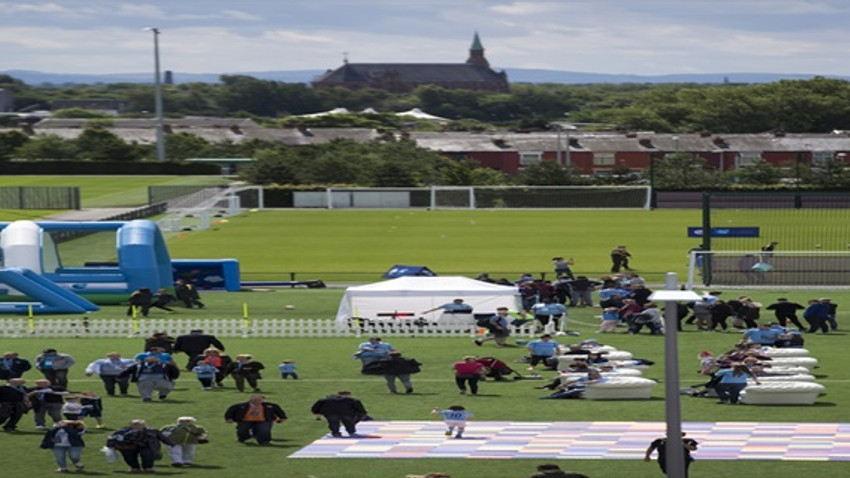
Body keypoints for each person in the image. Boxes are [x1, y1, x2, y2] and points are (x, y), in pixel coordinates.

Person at [106, 419, 175, 473]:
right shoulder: (123, 431)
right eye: (135, 424)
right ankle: (134, 467)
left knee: (147, 454)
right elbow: (112, 438)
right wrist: (110, 446)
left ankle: (148, 468)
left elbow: (163, 438)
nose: (137, 426)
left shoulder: (153, 431)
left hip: (146, 445)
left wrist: (171, 444)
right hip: (129, 446)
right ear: (130, 425)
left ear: (144, 425)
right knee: (128, 455)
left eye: (139, 424)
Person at [541, 369, 607, 399]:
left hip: (586, 388)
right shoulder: (586, 377)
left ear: (598, 374)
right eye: (590, 375)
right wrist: (564, 384)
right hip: (579, 386)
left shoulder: (601, 379)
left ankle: (552, 397)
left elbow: (594, 382)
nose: (591, 376)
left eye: (593, 375)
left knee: (574, 390)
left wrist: (582, 383)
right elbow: (573, 381)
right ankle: (553, 395)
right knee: (566, 388)